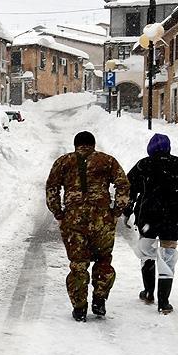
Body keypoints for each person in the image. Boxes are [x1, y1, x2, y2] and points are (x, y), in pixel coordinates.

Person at [46, 131, 131, 322]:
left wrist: (58, 213)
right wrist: (116, 211)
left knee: (78, 265)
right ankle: (99, 299)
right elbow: (123, 185)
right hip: (102, 220)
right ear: (93, 144)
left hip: (73, 220)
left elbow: (52, 187)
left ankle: (79, 307)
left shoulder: (64, 162)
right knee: (103, 260)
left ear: (76, 144)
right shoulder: (107, 161)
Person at [124, 133, 178, 314]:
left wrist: (127, 211)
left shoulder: (142, 165)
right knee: (168, 256)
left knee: (147, 254)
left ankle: (148, 292)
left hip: (147, 220)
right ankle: (164, 302)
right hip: (172, 220)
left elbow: (129, 190)